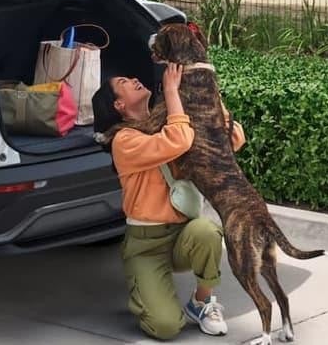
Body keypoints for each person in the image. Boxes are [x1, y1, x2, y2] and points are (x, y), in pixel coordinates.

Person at [91, 64, 247, 340]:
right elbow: (178, 140)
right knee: (165, 327)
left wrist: (208, 93)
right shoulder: (124, 141)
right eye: (126, 81)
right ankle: (146, 293)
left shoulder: (170, 121)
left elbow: (233, 140)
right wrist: (172, 92)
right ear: (119, 104)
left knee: (207, 231)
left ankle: (201, 302)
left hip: (181, 235)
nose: (135, 78)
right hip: (145, 246)